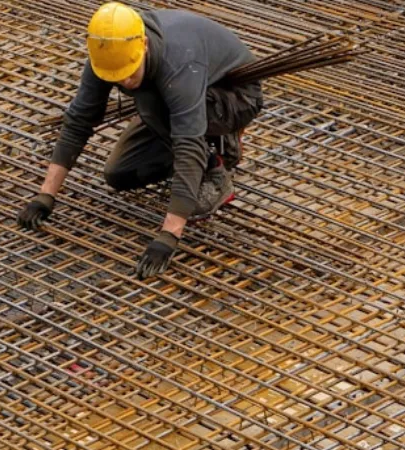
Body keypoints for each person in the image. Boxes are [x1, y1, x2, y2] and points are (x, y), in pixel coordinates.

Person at [17, 2, 263, 279]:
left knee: (150, 101)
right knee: (120, 174)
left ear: (144, 45)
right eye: (117, 77)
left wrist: (169, 235)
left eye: (129, 72)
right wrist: (45, 195)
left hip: (234, 97)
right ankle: (191, 138)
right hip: (172, 100)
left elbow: (188, 143)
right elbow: (79, 120)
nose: (124, 82)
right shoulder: (107, 54)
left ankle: (215, 167)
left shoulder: (177, 63)